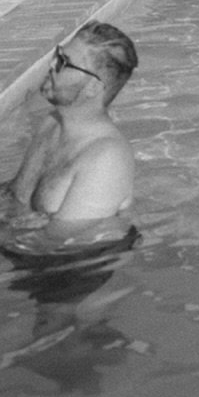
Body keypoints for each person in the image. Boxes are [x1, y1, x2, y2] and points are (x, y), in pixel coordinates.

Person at [9, 21, 138, 240]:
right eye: (57, 55)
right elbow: (15, 194)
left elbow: (56, 241)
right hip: (24, 253)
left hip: (73, 267)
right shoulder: (52, 123)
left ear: (93, 87)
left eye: (63, 62)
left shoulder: (107, 158)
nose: (51, 66)